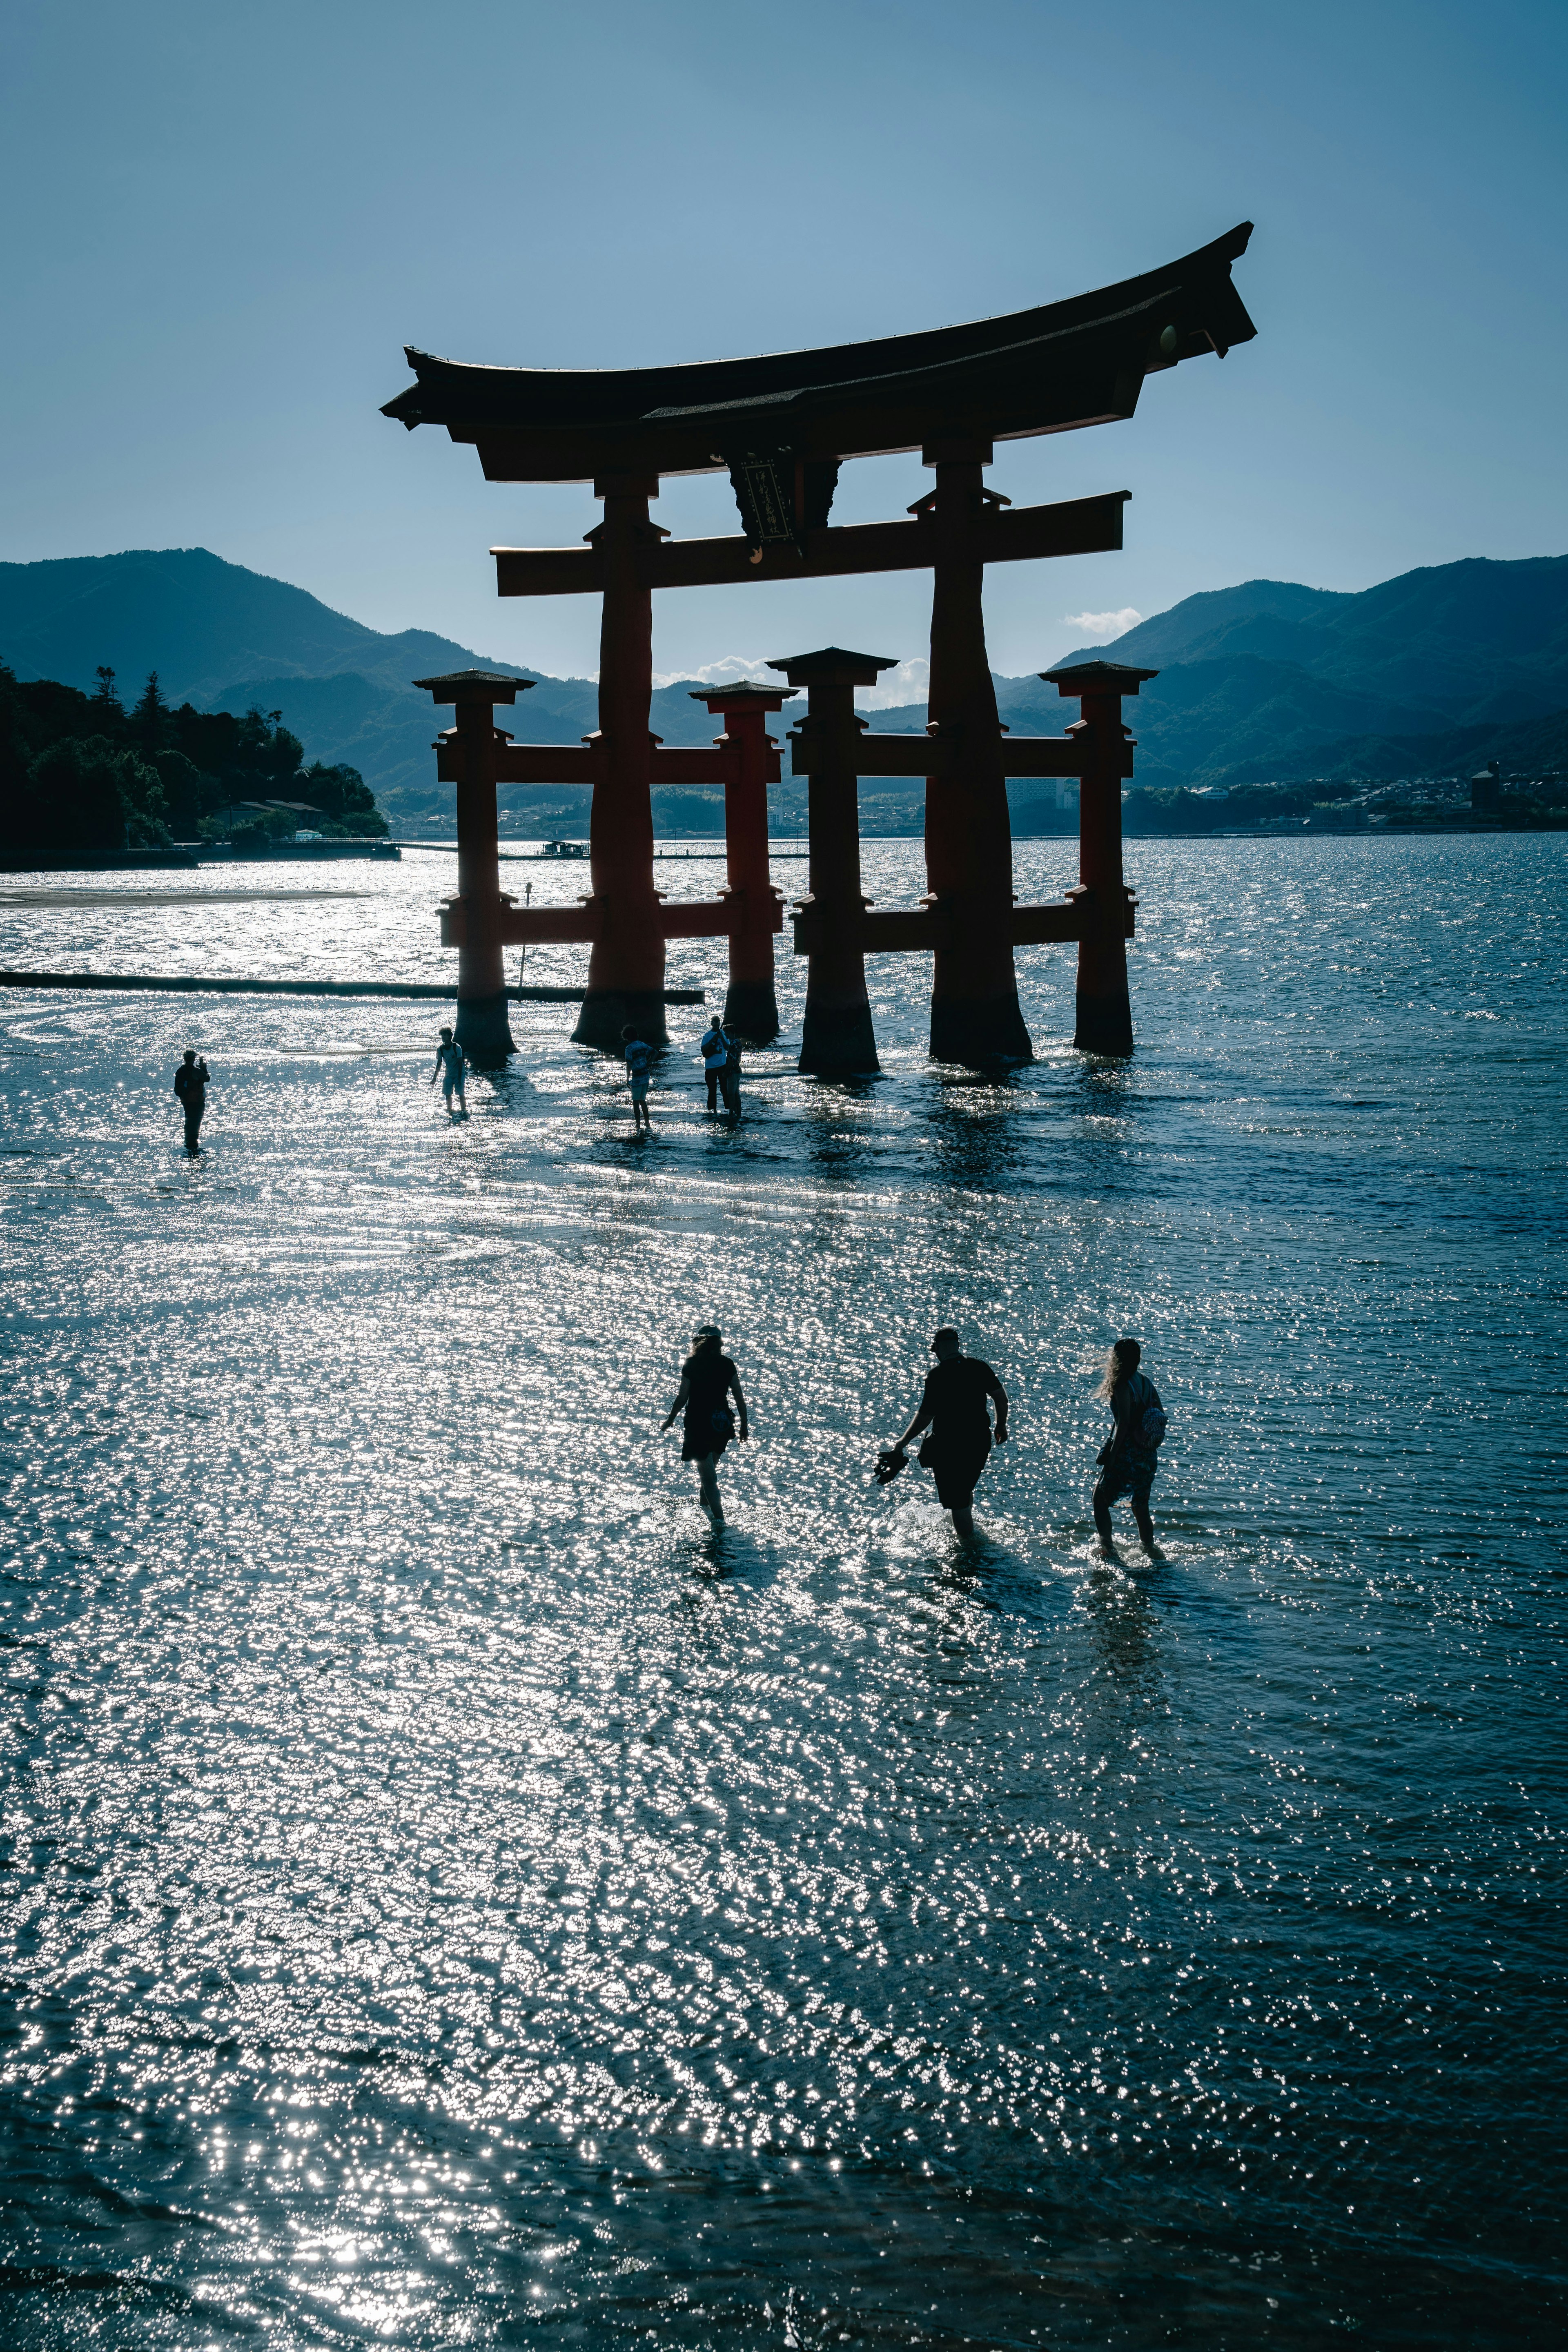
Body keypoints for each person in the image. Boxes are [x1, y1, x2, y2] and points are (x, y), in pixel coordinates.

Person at [886, 1326, 1008, 1542]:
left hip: (949, 1446)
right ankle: (970, 1532)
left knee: (957, 1502)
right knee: (964, 1488)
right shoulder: (979, 1367)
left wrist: (902, 1442)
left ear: (935, 1348)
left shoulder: (938, 1375)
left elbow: (926, 1416)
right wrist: (1001, 1426)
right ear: (958, 1345)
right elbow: (1000, 1397)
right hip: (980, 1442)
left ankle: (968, 1552)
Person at [661, 1323, 749, 1523]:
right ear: (718, 1343)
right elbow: (739, 1396)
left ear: (698, 1342)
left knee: (709, 1479)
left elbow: (683, 1396)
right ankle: (705, 1509)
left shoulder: (692, 1364)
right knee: (709, 1473)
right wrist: (744, 1425)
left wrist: (670, 1420)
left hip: (698, 1426)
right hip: (721, 1424)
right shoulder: (727, 1364)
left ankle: (719, 1523)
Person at [1091, 1337, 1165, 1559]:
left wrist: (1112, 1457)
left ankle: (1107, 1547)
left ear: (1116, 1360)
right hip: (1147, 1454)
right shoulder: (1146, 1382)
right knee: (1141, 1506)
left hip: (1127, 1453)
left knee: (1099, 1499)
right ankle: (1150, 1550)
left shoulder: (1123, 1385)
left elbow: (1123, 1424)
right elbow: (1160, 1415)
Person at [173, 1049, 209, 1157]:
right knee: (196, 1124)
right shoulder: (196, 1070)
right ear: (193, 1059)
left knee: (189, 1122)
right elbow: (207, 1079)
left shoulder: (181, 1070)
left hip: (186, 1101)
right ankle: (193, 1146)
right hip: (197, 1102)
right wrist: (204, 1069)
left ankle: (188, 1143)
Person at [428, 1026, 467, 1118]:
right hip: (449, 1074)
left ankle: (464, 1111)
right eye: (442, 1035)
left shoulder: (457, 1047)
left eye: (445, 1035)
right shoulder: (440, 1049)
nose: (443, 1037)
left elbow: (460, 1063)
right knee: (448, 1094)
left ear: (450, 1036)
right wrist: (434, 1079)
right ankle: (450, 1111)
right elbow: (439, 1065)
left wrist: (460, 1076)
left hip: (459, 1074)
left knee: (461, 1094)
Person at [622, 1025, 654, 1132]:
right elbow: (655, 1053)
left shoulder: (629, 1048)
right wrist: (648, 1063)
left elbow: (629, 1065)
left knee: (635, 1102)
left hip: (637, 1077)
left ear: (626, 1037)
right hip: (646, 1075)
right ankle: (647, 1123)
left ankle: (638, 1125)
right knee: (642, 1101)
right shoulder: (642, 1045)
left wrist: (627, 1078)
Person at [699, 1016, 728, 1115]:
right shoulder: (707, 1035)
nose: (716, 1026)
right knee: (712, 1089)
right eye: (714, 1024)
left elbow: (728, 1047)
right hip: (710, 1067)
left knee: (725, 1088)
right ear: (711, 1024)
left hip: (722, 1066)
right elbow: (703, 1049)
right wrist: (713, 1039)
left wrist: (722, 1039)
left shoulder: (723, 1034)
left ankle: (728, 1108)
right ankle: (713, 1110)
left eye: (718, 1024)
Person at [719, 1022, 744, 1125]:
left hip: (732, 1072)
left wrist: (726, 1073)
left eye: (726, 1033)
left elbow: (730, 1060)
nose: (725, 1035)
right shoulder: (738, 1043)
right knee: (736, 1094)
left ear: (730, 1033)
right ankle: (739, 1114)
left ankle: (731, 1114)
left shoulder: (733, 1044)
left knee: (731, 1094)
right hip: (738, 1070)